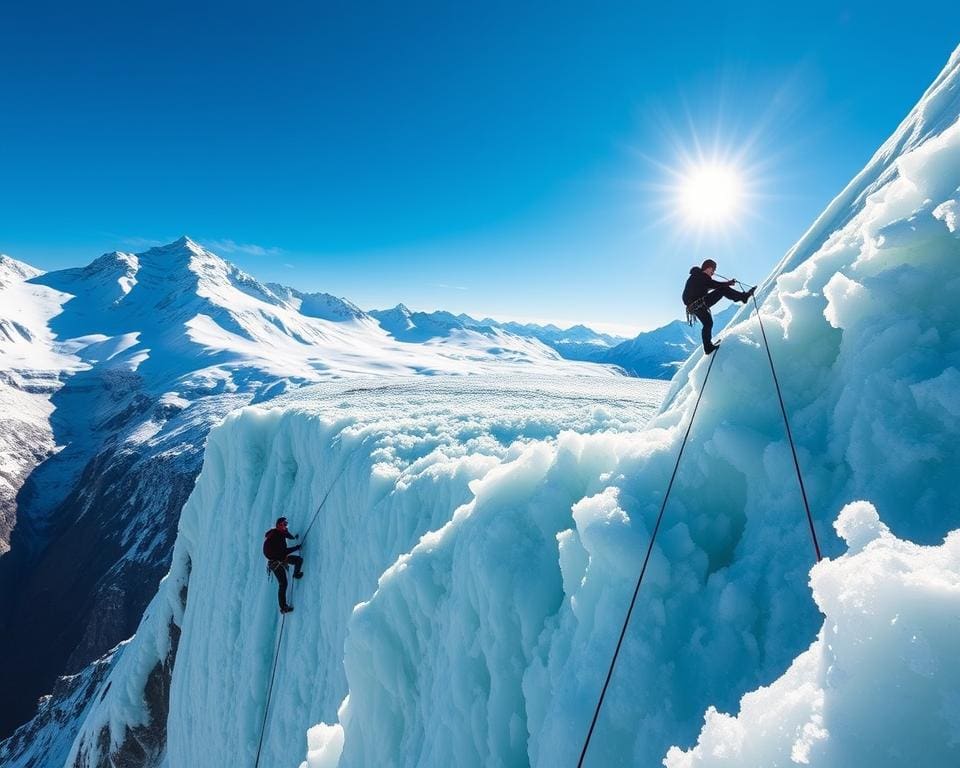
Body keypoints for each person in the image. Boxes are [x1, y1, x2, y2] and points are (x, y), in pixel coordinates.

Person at [682, 259, 755, 354]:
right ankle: (743, 297)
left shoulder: (697, 276)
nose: (713, 273)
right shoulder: (701, 276)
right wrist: (728, 283)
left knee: (708, 323)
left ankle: (708, 348)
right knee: (723, 289)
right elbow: (715, 285)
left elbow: (710, 285)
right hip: (699, 303)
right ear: (709, 268)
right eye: (713, 270)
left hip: (694, 307)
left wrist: (727, 283)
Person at [263, 516, 303, 614]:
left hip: (279, 559)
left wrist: (294, 537)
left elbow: (287, 535)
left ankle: (296, 574)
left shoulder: (279, 533)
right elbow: (284, 551)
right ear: (279, 525)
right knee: (283, 583)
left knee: (298, 560)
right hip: (275, 562)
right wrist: (296, 548)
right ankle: (283, 607)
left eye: (286, 524)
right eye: (284, 524)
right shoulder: (276, 535)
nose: (285, 526)